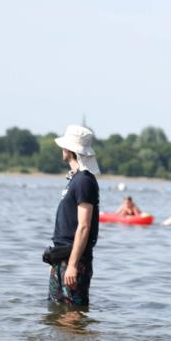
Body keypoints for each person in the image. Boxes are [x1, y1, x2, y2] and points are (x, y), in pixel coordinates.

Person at [48, 125, 100, 307]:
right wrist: (55, 261)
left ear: (70, 149)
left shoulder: (84, 181)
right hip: (61, 256)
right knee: (55, 312)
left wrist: (72, 264)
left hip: (74, 259)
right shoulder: (75, 179)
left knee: (73, 313)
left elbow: (84, 226)